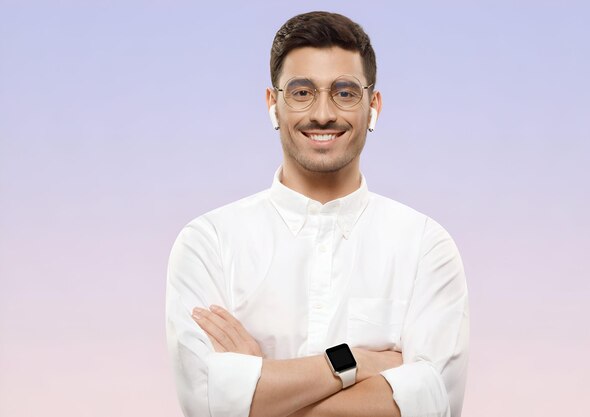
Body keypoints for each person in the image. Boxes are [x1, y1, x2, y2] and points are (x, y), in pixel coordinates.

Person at [166, 11, 469, 417]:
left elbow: (435, 404)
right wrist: (356, 363)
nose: (323, 113)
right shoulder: (209, 243)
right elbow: (205, 403)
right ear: (273, 104)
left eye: (344, 92)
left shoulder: (426, 247)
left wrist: (261, 385)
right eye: (302, 92)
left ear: (373, 105)